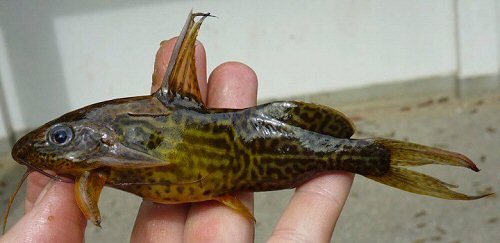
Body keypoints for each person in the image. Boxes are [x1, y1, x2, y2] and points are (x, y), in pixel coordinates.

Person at [0, 38, 354, 243]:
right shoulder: (100, 168)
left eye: (61, 137)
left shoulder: (109, 156)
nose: (52, 148)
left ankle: (367, 157)